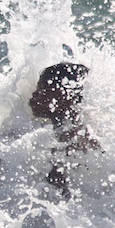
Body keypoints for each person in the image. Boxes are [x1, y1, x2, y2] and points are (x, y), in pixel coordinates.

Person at [29, 62, 100, 200]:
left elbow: (59, 185)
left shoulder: (73, 134)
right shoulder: (68, 127)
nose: (34, 95)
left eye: (42, 89)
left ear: (62, 95)